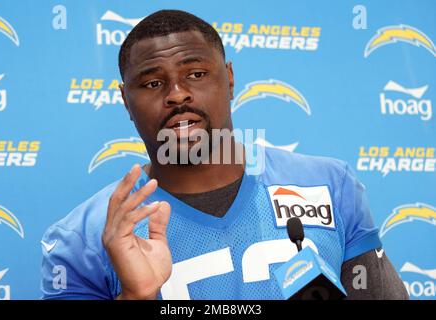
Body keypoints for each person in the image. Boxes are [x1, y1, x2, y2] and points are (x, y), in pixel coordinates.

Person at [41, 9, 408, 300]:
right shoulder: (83, 237)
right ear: (125, 100)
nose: (177, 94)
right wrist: (137, 296)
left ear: (229, 79)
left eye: (196, 74)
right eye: (153, 83)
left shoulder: (329, 186)